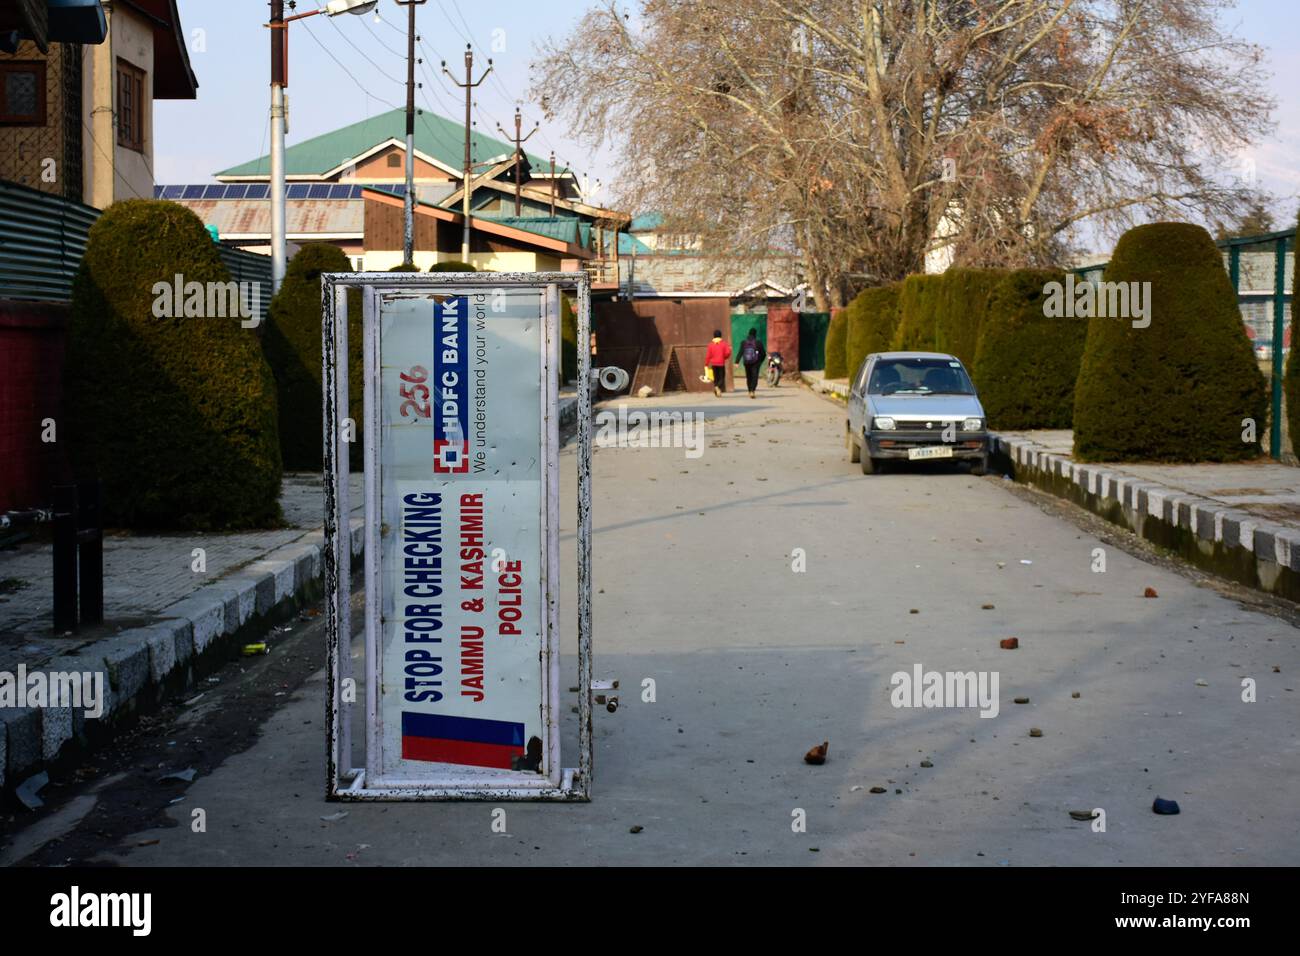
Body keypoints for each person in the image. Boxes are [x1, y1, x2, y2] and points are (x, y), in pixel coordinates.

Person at [738, 327, 766, 398]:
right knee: (754, 377)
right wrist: (760, 361)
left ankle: (749, 390)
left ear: (748, 334)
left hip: (746, 362)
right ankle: (752, 391)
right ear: (755, 334)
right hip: (755, 363)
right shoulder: (758, 343)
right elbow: (763, 354)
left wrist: (737, 361)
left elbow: (740, 352)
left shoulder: (744, 342)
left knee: (749, 376)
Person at [705, 330, 731, 397]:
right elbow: (728, 352)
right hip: (721, 363)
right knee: (722, 377)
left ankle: (716, 388)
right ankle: (717, 387)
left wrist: (706, 364)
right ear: (720, 335)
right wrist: (724, 357)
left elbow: (708, 355)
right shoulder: (724, 344)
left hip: (713, 364)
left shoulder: (710, 345)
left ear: (714, 336)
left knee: (716, 378)